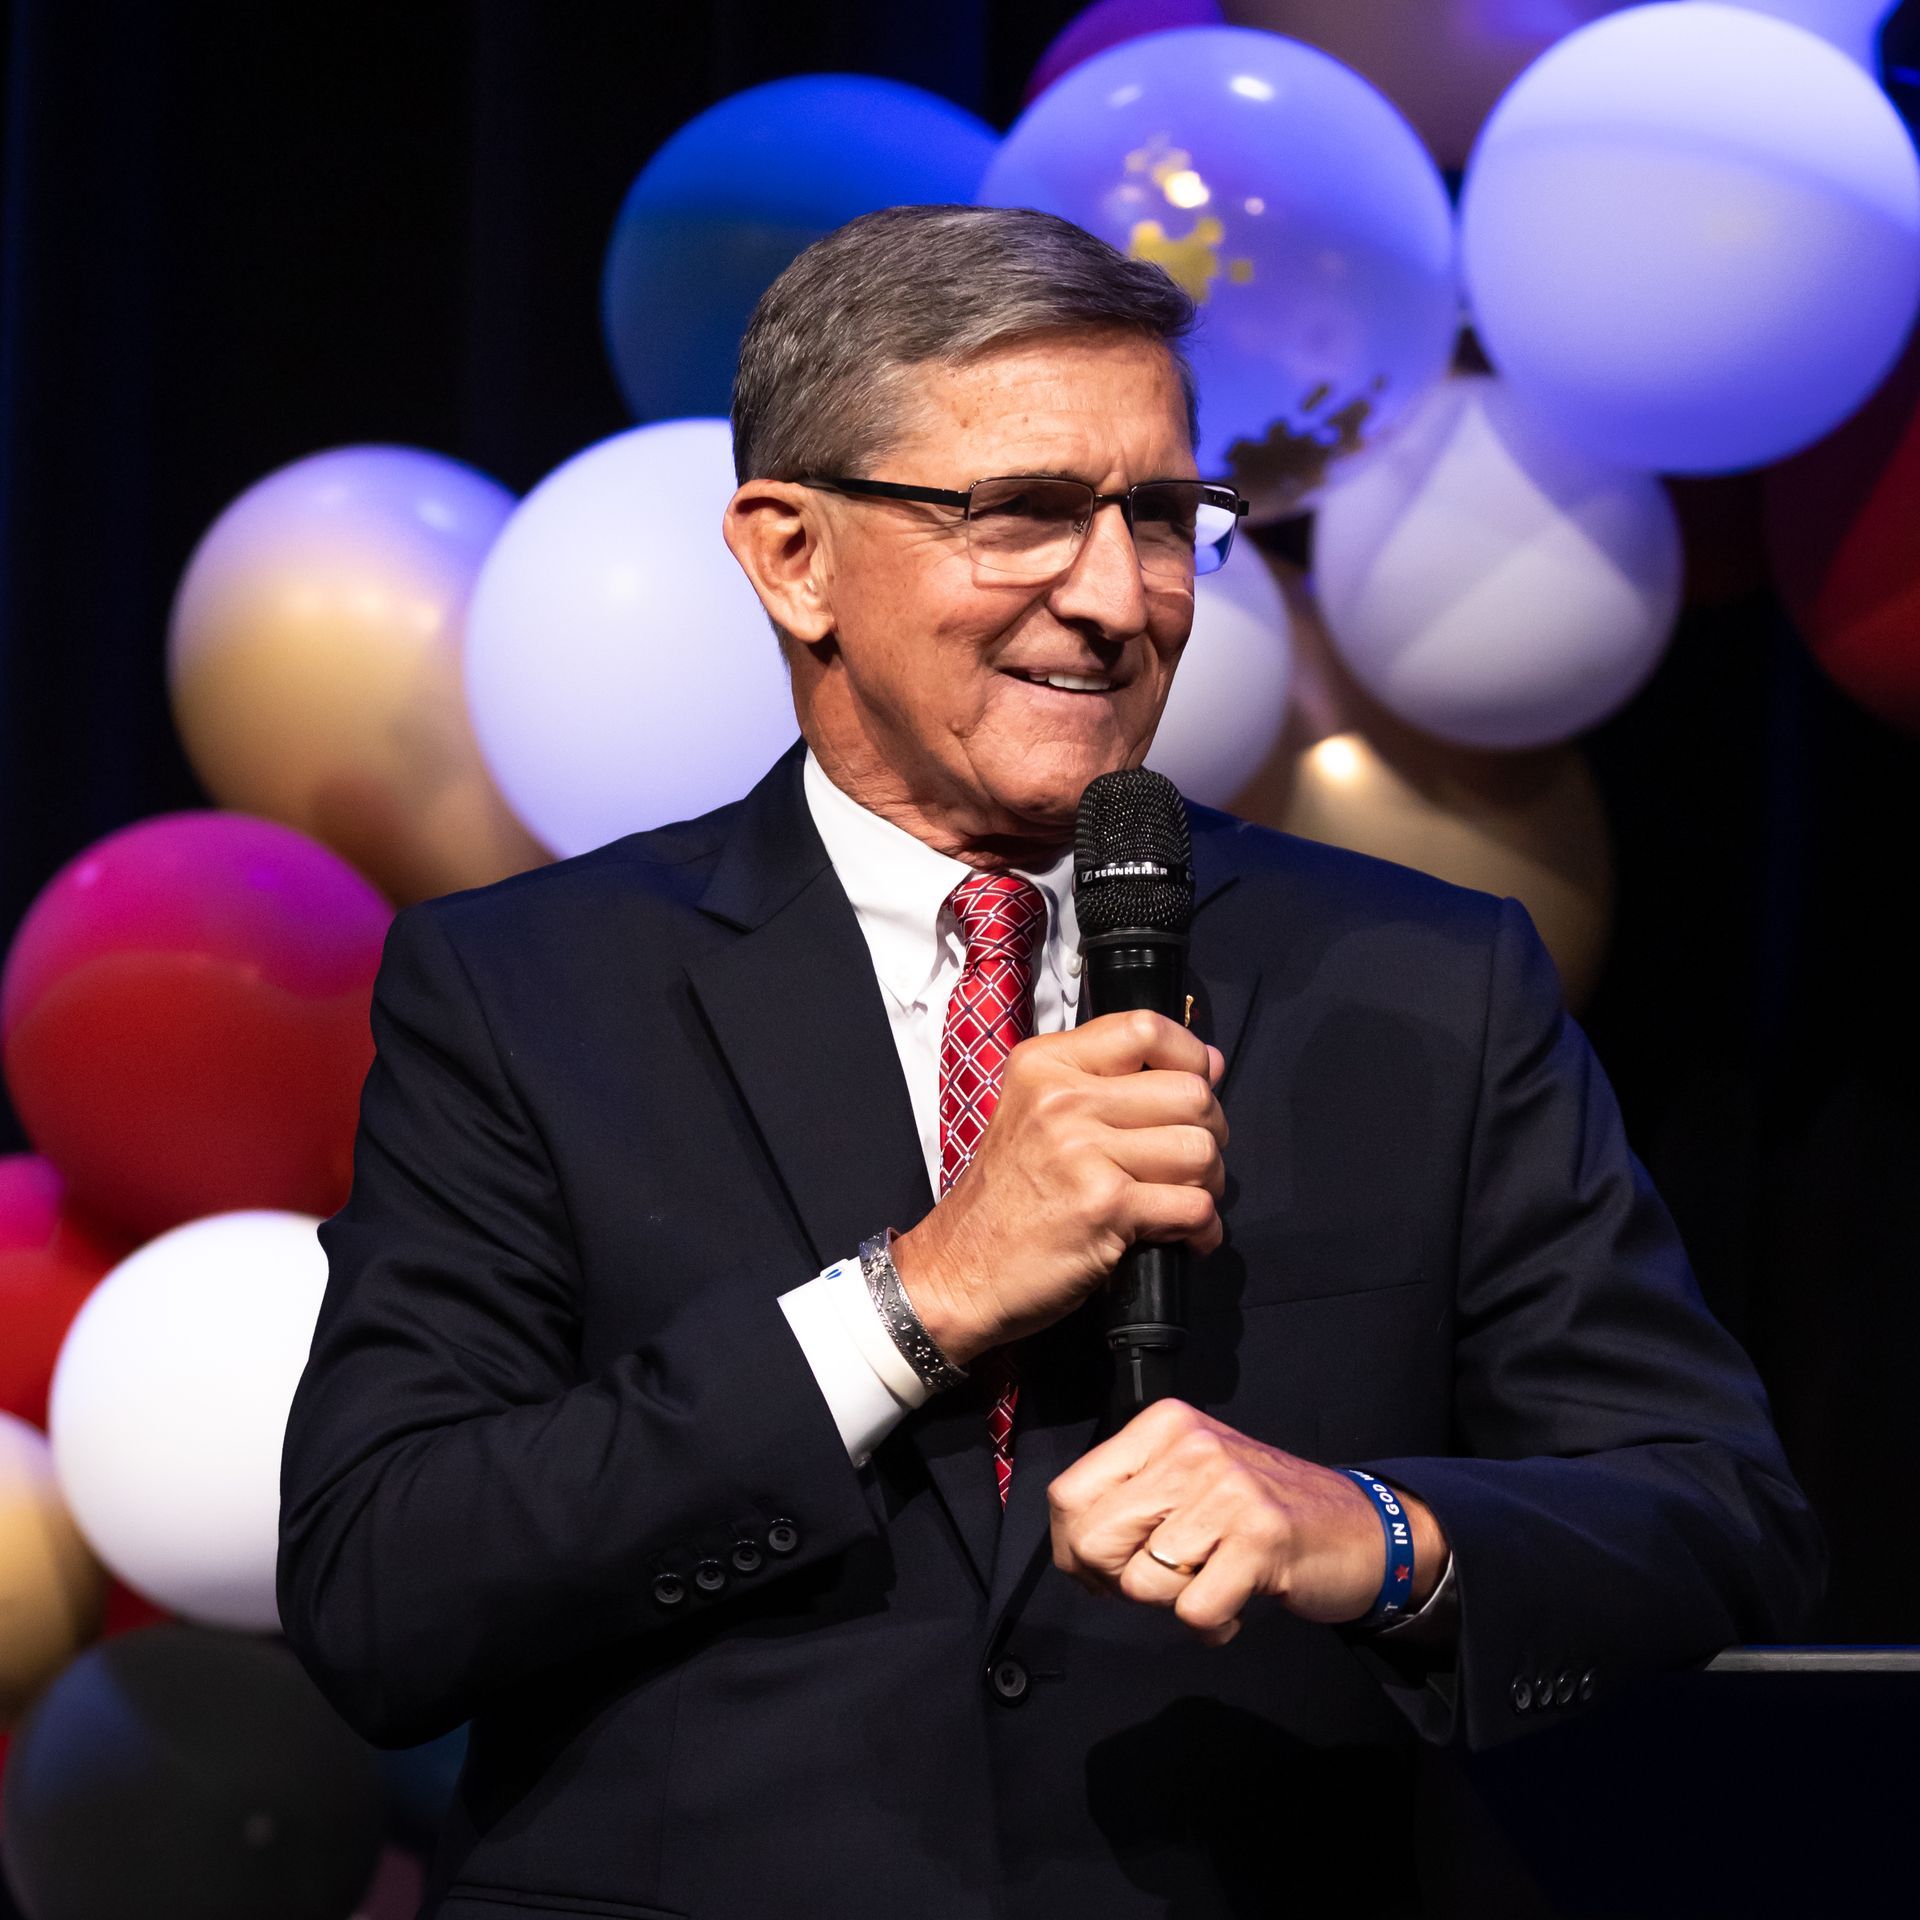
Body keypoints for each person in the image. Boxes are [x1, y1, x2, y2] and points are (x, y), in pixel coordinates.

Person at [276, 204, 1824, 1919]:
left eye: (1159, 517)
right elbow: (383, 1588)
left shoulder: (1427, 985)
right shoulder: (526, 990)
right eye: (1020, 512)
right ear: (792, 556)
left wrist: (1372, 1533)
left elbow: (1712, 1518)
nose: (1113, 597)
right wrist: (920, 1296)